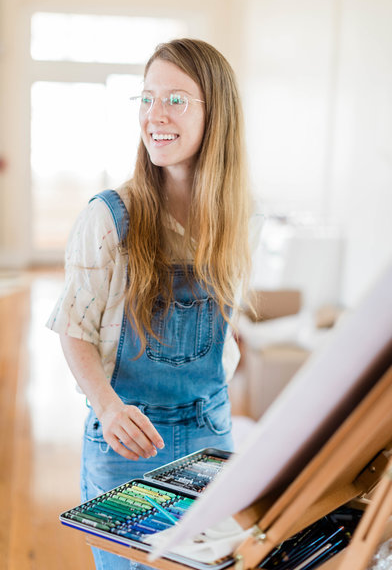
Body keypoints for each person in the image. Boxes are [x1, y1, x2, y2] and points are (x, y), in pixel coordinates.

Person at [47, 38, 259, 570]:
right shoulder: (109, 217)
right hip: (128, 439)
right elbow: (74, 327)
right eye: (146, 98)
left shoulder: (236, 219)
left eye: (175, 100)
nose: (154, 115)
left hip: (213, 429)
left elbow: (227, 324)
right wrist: (107, 406)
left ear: (217, 114)